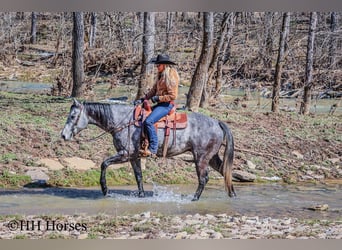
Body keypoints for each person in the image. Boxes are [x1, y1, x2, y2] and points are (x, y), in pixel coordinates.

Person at [134, 54, 180, 157]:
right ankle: (143, 143)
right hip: (161, 104)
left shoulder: (171, 76)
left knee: (149, 121)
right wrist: (143, 99)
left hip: (166, 105)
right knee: (142, 115)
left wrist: (158, 98)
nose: (156, 67)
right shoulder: (161, 75)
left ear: (164, 65)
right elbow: (154, 90)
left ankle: (153, 149)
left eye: (158, 65)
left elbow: (173, 96)